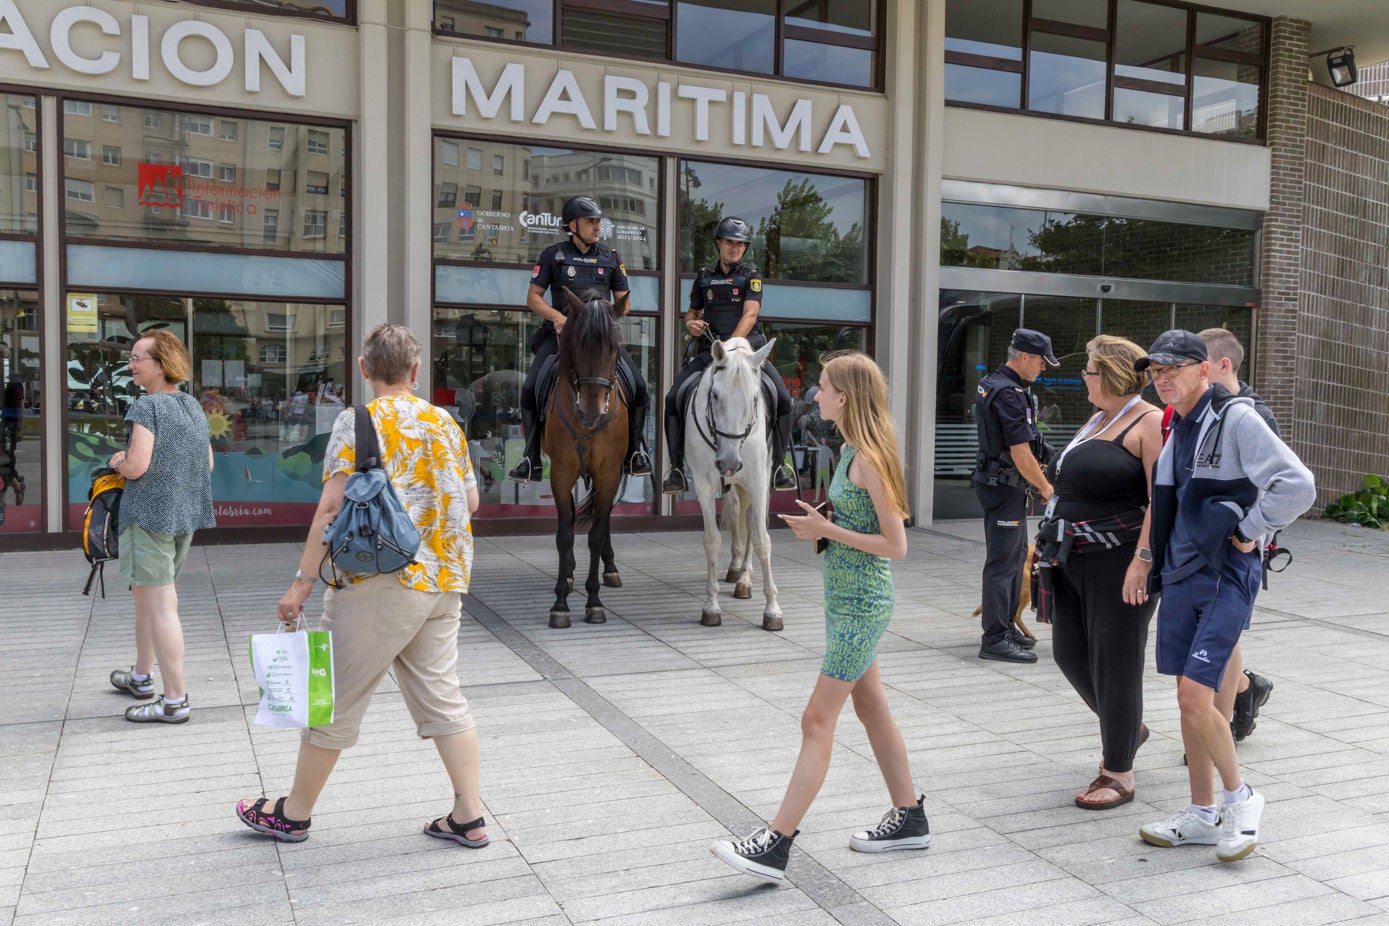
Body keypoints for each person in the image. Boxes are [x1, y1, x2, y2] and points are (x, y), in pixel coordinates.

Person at [236, 324, 487, 846]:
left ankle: (294, 812)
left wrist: (301, 585)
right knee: (444, 699)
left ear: (363, 368)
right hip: (444, 581)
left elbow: (330, 508)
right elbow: (472, 503)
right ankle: (468, 815)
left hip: (382, 581)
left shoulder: (357, 422)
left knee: (333, 699)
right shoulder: (445, 423)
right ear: (417, 372)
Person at [711, 351, 927, 883]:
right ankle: (911, 815)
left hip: (862, 607)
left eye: (824, 386)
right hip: (844, 601)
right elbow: (861, 519)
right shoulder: (852, 447)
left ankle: (776, 843)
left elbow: (896, 545)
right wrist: (823, 518)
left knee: (816, 720)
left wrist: (826, 532)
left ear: (845, 397)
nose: (815, 394)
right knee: (873, 711)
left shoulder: (870, 457)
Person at [1134, 330, 1315, 863]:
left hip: (1223, 574)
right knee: (1187, 703)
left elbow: (1297, 483)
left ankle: (1242, 800)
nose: (1162, 377)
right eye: (1156, 370)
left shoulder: (1235, 418)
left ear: (1206, 370)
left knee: (1196, 697)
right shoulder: (1178, 427)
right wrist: (1149, 563)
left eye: (1174, 367)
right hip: (1182, 575)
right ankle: (1201, 813)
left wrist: (1252, 528)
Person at [1034, 335, 1161, 809]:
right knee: (1069, 653)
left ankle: (1118, 772)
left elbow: (1159, 500)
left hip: (1119, 559)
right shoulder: (1097, 419)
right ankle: (1128, 729)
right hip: (1070, 556)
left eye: (1088, 370)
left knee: (1115, 662)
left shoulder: (1150, 422)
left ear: (1109, 373)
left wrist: (1143, 560)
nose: (1083, 378)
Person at [106, 331, 215, 724]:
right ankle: (140, 676)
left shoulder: (145, 408)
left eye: (138, 358)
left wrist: (117, 459)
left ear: (160, 363)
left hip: (147, 518)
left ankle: (174, 701)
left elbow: (136, 466)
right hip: (183, 517)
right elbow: (208, 466)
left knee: (162, 608)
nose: (131, 364)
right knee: (147, 602)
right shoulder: (191, 406)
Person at [509, 195, 651, 482]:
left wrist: (610, 318)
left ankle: (635, 451)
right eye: (590, 222)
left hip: (600, 341)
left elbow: (624, 301)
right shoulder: (553, 256)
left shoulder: (611, 258)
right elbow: (533, 298)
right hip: (561, 337)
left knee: (638, 387)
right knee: (530, 388)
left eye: (598, 222)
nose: (597, 227)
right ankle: (531, 456)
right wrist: (557, 317)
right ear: (572, 225)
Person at [661, 216, 796, 494]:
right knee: (673, 398)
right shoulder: (704, 276)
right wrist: (691, 324)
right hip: (711, 352)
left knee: (783, 399)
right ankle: (675, 469)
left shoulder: (751, 275)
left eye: (741, 243)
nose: (735, 248)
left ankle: (780, 466)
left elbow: (751, 314)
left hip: (746, 355)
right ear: (718, 244)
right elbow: (693, 312)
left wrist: (734, 345)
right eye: (730, 242)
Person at [1199, 328, 1277, 742]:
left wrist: (1251, 533)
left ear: (1223, 365)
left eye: (1200, 364)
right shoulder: (1206, 409)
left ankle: (1223, 725)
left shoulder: (1252, 415)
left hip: (1235, 550)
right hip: (1204, 547)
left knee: (1220, 639)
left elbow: (1283, 486)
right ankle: (1247, 689)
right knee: (1217, 638)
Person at [972, 328, 1057, 664]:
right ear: (1024, 356)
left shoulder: (995, 382)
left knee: (1015, 554)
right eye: (1041, 361)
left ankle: (1005, 627)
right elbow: (1021, 453)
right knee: (1003, 562)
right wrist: (1045, 487)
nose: (1044, 368)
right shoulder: (1009, 393)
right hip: (1004, 485)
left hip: (1001, 483)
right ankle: (994, 638)